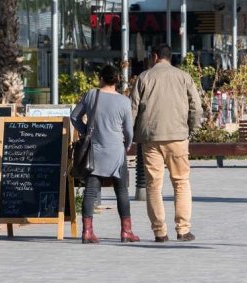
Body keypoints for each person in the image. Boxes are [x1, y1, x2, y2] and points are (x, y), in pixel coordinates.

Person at [130, 44, 203, 243]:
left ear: (155, 56)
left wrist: (130, 135)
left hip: (150, 138)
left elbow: (132, 109)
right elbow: (196, 107)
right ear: (170, 57)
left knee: (154, 185)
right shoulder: (183, 77)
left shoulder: (144, 78)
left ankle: (159, 232)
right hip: (178, 136)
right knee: (181, 182)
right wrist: (191, 130)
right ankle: (183, 229)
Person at [70, 65, 138, 244]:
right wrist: (127, 145)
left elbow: (74, 116)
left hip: (96, 151)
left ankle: (87, 231)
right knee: (121, 191)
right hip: (116, 152)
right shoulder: (124, 101)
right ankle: (126, 231)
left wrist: (86, 132)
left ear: (101, 78)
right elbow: (129, 131)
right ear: (116, 80)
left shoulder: (92, 95)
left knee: (90, 190)